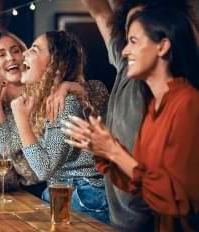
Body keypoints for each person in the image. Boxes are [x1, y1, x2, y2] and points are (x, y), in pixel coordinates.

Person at [63, 8, 199, 231]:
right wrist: (102, 149)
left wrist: (113, 151)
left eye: (133, 41)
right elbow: (139, 183)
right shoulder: (155, 105)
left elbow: (178, 201)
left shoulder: (188, 103)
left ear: (163, 46)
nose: (125, 51)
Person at [0, 31, 108, 223]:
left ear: (55, 64)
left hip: (83, 195)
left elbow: (43, 169)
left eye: (34, 50)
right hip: (64, 193)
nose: (24, 53)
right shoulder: (41, 99)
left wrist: (21, 118)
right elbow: (6, 147)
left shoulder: (66, 102)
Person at [0, 31, 46, 196]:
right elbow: (9, 167)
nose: (11, 58)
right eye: (0, 55)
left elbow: (8, 147)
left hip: (55, 186)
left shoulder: (43, 94)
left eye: (15, 51)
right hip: (26, 193)